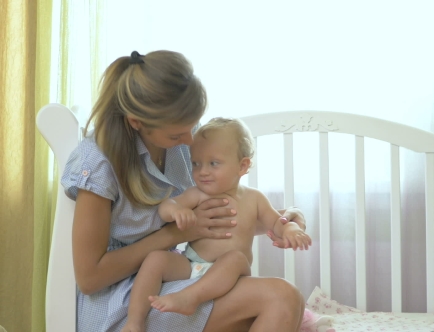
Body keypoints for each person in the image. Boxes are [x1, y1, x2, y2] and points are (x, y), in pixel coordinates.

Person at [62, 50, 307, 332]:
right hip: (125, 301)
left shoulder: (182, 141)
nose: (190, 141)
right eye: (177, 135)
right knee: (281, 298)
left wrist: (283, 221)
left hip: (175, 279)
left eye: (193, 126)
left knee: (286, 303)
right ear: (136, 122)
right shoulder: (99, 163)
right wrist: (177, 234)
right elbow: (90, 278)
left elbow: (220, 214)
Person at [121, 117, 312, 332]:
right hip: (192, 264)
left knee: (236, 258)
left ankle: (190, 298)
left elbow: (277, 223)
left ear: (242, 165)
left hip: (228, 275)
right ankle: (134, 321)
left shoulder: (255, 198)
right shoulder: (197, 194)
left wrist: (291, 228)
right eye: (196, 163)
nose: (202, 171)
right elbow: (167, 206)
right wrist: (177, 211)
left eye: (213, 163)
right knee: (155, 259)